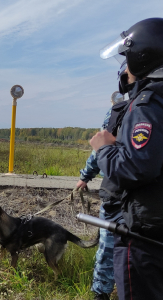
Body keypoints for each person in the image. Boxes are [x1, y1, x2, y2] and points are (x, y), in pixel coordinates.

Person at [91, 18, 163, 300]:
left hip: (146, 233)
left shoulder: (146, 104)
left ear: (140, 56)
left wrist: (104, 148)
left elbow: (136, 167)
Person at [76, 90, 125, 300]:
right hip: (116, 192)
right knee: (108, 246)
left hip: (145, 196)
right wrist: (85, 176)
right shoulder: (117, 112)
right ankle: (102, 293)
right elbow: (100, 147)